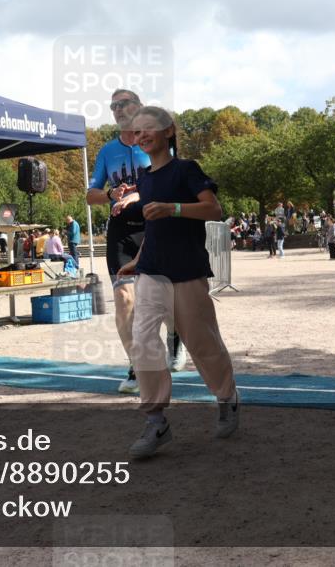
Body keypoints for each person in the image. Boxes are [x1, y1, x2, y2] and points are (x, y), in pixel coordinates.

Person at [117, 106, 238, 459]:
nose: (140, 137)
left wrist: (175, 209)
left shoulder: (187, 170)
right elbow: (154, 230)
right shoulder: (144, 178)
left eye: (147, 129)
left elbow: (214, 210)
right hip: (151, 271)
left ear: (168, 131)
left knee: (201, 343)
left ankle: (227, 398)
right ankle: (156, 420)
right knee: (142, 338)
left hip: (187, 270)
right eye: (136, 132)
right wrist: (137, 261)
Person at [87, 89, 185, 393]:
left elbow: (172, 183)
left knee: (163, 299)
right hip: (121, 231)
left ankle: (175, 335)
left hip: (155, 226)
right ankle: (137, 367)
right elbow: (90, 195)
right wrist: (110, 194)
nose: (117, 109)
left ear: (139, 107)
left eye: (123, 103)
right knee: (125, 299)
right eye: (113, 105)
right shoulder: (107, 151)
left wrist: (138, 193)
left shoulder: (154, 142)